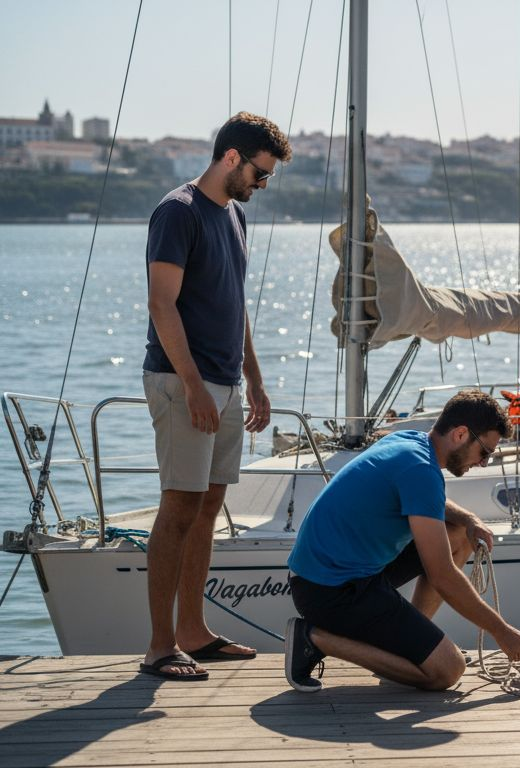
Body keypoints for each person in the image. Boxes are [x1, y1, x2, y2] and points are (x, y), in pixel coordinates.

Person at [138, 112, 291, 682]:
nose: (261, 185)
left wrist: (253, 376)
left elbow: (235, 304)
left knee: (207, 509)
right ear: (231, 157)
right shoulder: (177, 212)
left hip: (224, 384)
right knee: (178, 507)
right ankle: (158, 647)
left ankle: (193, 633)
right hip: (184, 383)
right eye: (260, 173)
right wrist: (197, 386)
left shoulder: (234, 217)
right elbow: (161, 304)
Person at [284, 390, 520, 692]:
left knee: (457, 534)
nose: (483, 463)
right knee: (448, 670)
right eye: (485, 452)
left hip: (341, 574)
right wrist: (501, 631)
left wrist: (469, 520)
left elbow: (425, 501)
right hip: (329, 592)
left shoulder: (408, 443)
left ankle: (411, 649)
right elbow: (442, 575)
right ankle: (313, 638)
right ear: (460, 434)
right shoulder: (421, 470)